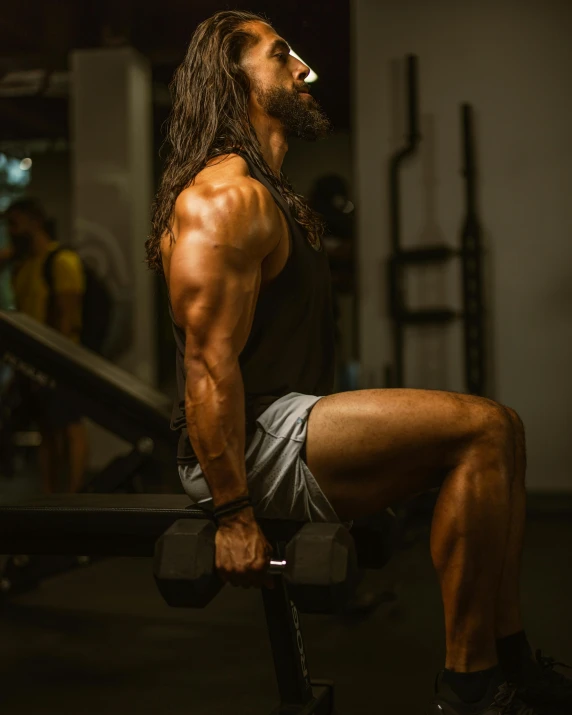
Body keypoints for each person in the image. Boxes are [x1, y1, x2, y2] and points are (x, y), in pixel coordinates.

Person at [145, 11, 572, 715]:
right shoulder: (224, 198)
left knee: (502, 437)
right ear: (234, 80)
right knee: (484, 427)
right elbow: (207, 366)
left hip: (284, 425)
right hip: (242, 442)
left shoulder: (272, 193)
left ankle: (509, 660)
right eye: (282, 56)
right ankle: (471, 685)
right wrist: (234, 514)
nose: (306, 70)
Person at [1, 198, 88, 493]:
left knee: (70, 426)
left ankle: (76, 496)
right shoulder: (23, 266)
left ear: (34, 222)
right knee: (47, 430)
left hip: (60, 359)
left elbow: (68, 317)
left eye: (15, 224)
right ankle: (51, 496)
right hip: (31, 361)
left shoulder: (62, 261)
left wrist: (57, 363)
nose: (11, 231)